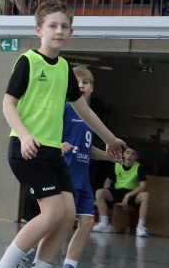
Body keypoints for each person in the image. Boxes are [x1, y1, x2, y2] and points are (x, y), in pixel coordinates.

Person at [0, 0, 124, 268]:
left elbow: (84, 111)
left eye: (64, 26)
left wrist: (110, 139)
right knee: (51, 214)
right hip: (28, 150)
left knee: (66, 216)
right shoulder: (28, 61)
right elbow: (8, 104)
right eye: (52, 26)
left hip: (53, 154)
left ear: (71, 32)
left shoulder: (64, 68)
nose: (59, 31)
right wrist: (24, 136)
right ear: (39, 29)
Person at [60, 66, 113, 268]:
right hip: (67, 175)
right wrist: (58, 145)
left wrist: (108, 156)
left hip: (84, 179)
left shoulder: (91, 117)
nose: (81, 86)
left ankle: (70, 265)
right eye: (77, 83)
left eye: (85, 82)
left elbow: (87, 148)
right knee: (57, 223)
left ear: (92, 87)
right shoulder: (64, 110)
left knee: (88, 222)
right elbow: (47, 137)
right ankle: (21, 252)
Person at [91, 146, 149, 237]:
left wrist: (128, 195)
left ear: (137, 157)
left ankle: (140, 227)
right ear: (123, 154)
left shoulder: (139, 167)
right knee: (99, 192)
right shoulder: (117, 165)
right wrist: (106, 193)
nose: (129, 156)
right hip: (117, 192)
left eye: (133, 154)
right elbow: (108, 182)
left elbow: (143, 186)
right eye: (128, 153)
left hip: (132, 193)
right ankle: (104, 224)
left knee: (145, 195)